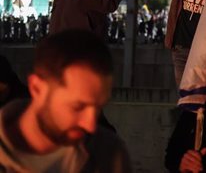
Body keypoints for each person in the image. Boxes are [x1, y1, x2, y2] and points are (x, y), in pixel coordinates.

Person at [0, 29, 132, 171]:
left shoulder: (108, 154)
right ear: (37, 89)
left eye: (99, 108)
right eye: (78, 107)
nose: (90, 125)